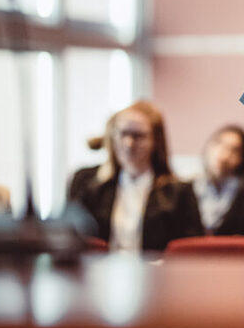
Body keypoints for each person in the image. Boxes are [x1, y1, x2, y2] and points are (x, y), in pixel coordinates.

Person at [69, 101, 203, 252]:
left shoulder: (179, 192)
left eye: (138, 136)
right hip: (99, 272)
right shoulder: (86, 183)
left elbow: (191, 251)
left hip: (157, 274)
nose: (129, 143)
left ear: (155, 141)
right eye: (123, 134)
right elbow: (70, 237)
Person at [192, 124, 244, 235]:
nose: (224, 155)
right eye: (219, 144)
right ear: (209, 146)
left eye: (234, 150)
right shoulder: (188, 187)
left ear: (242, 158)